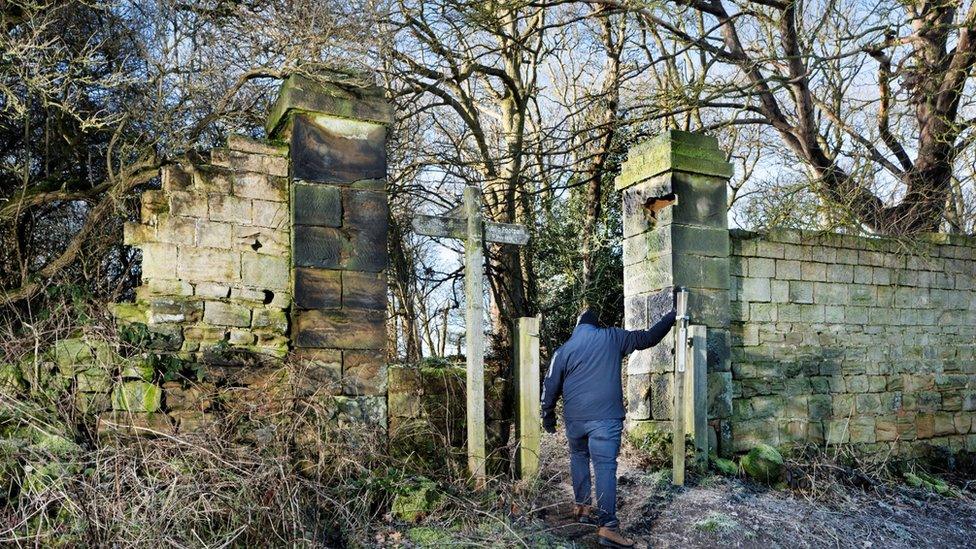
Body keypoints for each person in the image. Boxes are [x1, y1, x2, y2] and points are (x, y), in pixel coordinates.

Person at [541, 301, 677, 548]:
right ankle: (608, 528)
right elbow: (648, 338)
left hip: (575, 420)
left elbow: (550, 384)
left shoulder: (564, 350)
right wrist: (672, 315)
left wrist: (547, 415)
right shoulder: (612, 337)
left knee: (578, 457)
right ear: (596, 326)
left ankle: (582, 508)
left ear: (577, 328)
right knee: (604, 467)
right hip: (605, 418)